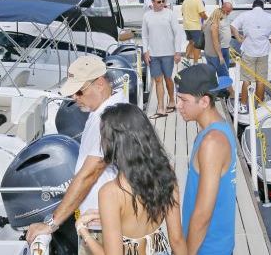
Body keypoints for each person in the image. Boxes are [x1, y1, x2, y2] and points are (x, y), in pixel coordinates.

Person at [25, 56, 125, 255]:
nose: (74, 98)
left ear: (100, 83)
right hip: (99, 220)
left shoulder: (107, 119)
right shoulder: (106, 111)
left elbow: (89, 174)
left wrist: (52, 224)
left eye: (79, 91)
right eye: (72, 93)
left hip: (102, 227)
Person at [75, 104, 187, 255]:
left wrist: (83, 231)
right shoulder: (166, 173)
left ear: (114, 143)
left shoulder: (111, 192)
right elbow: (177, 240)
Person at [175, 64, 235, 255]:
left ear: (204, 101)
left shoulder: (212, 142)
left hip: (208, 249)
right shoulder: (216, 129)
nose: (178, 105)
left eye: (184, 100)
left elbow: (203, 214)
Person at [230, 0, 271, 114]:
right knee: (260, 80)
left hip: (248, 51)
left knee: (246, 80)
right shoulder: (270, 17)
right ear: (262, 7)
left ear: (252, 6)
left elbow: (233, 26)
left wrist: (239, 38)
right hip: (263, 51)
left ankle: (244, 105)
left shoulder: (245, 15)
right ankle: (258, 106)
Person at [142, 0, 183, 118]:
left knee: (168, 78)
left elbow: (178, 33)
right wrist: (145, 51)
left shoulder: (170, 14)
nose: (162, 4)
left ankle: (171, 101)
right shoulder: (147, 16)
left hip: (168, 53)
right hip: (153, 54)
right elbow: (144, 35)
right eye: (158, 2)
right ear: (152, 3)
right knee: (158, 80)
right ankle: (160, 107)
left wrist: (178, 52)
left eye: (163, 1)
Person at [201, 2, 234, 98]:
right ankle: (232, 94)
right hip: (215, 54)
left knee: (212, 73)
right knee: (224, 74)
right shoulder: (214, 25)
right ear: (218, 14)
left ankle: (215, 92)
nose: (224, 17)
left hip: (208, 53)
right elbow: (215, 42)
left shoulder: (207, 24)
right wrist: (220, 56)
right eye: (222, 15)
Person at [181, 0, 207, 65]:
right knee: (198, 45)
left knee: (191, 42)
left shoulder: (185, 0)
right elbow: (202, 14)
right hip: (195, 26)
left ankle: (186, 59)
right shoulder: (197, 1)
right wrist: (208, 19)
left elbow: (182, 13)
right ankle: (195, 63)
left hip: (186, 26)